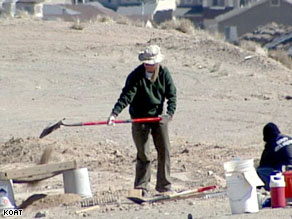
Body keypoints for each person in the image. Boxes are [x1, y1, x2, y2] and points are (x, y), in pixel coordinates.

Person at [107, 45, 177, 196]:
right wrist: (115, 113)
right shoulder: (135, 76)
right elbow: (126, 96)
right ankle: (141, 188)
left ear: (157, 62)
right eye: (146, 63)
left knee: (164, 150)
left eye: (151, 63)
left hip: (158, 118)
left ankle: (164, 187)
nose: (149, 66)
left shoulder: (164, 74)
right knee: (144, 153)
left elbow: (172, 95)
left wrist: (169, 114)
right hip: (139, 118)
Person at [257, 122, 292, 191]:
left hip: (288, 174)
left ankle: (275, 190)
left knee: (260, 171)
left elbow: (263, 165)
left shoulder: (271, 144)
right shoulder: (289, 138)